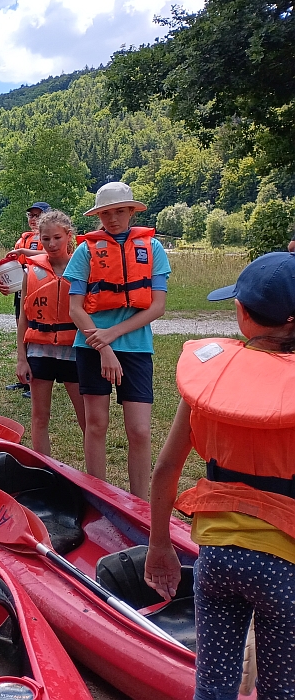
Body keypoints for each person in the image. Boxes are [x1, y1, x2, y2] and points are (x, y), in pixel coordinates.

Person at [145, 251, 295, 700]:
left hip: (218, 561)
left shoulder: (210, 382)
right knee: (281, 692)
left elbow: (165, 470)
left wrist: (159, 547)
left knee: (212, 686)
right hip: (284, 570)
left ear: (243, 314)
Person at [65, 182, 170, 500]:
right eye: (106, 213)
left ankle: (139, 503)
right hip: (92, 347)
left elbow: (158, 306)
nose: (113, 219)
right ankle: (98, 497)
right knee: (96, 424)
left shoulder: (153, 249)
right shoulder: (86, 250)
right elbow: (75, 308)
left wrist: (113, 334)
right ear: (99, 215)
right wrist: (104, 346)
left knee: (139, 430)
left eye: (120, 212)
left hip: (136, 348)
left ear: (131, 212)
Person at [14, 210, 86, 455]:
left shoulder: (83, 268)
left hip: (73, 350)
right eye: (46, 239)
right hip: (39, 350)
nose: (52, 244)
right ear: (39, 238)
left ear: (68, 236)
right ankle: (43, 469)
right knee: (39, 417)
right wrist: (21, 358)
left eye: (57, 237)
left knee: (87, 419)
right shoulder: (31, 271)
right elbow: (23, 318)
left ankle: (93, 479)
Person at [0, 201, 51, 397]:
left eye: (38, 215)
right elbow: (13, 265)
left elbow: (49, 255)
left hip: (42, 291)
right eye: (31, 215)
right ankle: (25, 378)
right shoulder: (23, 240)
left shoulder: (50, 237)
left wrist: (24, 252)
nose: (34, 219)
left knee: (36, 333)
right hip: (22, 291)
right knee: (23, 332)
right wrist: (1, 280)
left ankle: (36, 380)